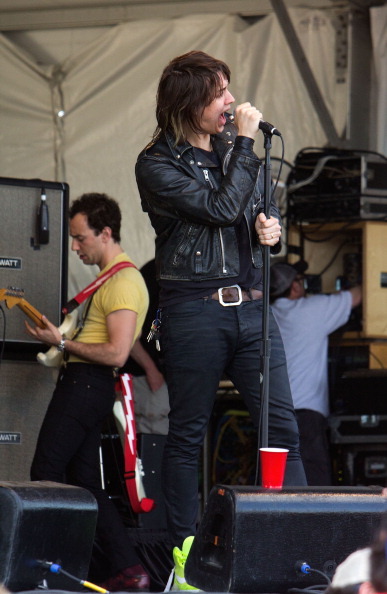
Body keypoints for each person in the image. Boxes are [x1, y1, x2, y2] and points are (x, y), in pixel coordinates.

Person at [135, 50, 307, 587]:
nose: (231, 103)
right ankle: (187, 559)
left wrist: (271, 229)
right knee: (188, 433)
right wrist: (249, 149)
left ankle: (298, 544)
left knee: (281, 427)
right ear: (190, 103)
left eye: (229, 91)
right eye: (219, 93)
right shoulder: (157, 163)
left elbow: (257, 211)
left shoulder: (238, 150)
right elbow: (217, 208)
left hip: (251, 305)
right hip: (194, 309)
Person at [24, 193, 150, 592]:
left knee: (45, 474)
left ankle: (53, 567)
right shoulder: (109, 280)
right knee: (85, 485)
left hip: (87, 384)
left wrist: (61, 344)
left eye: (80, 238)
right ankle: (128, 569)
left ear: (105, 233)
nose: (75, 247)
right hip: (86, 385)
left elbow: (116, 350)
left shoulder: (125, 281)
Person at [270, 260, 362, 486]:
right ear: (294, 287)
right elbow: (358, 295)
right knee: (315, 485)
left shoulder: (265, 316)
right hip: (307, 416)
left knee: (276, 485)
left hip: (272, 415)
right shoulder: (311, 310)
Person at [122, 259, 169, 435]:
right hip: (149, 376)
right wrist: (152, 371)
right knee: (152, 443)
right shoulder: (152, 272)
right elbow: (129, 333)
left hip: (169, 378)